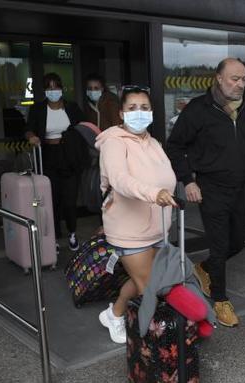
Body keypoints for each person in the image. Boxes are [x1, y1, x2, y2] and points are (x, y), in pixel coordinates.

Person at [166, 58, 245, 328]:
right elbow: (175, 146)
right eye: (234, 79)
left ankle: (206, 268)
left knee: (238, 241)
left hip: (239, 185)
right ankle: (221, 299)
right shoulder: (198, 110)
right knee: (220, 243)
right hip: (209, 187)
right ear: (219, 78)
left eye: (244, 79)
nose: (240, 84)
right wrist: (188, 181)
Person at [96, 85, 178, 343]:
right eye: (132, 108)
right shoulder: (113, 143)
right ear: (121, 113)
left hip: (157, 226)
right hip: (130, 229)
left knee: (150, 278)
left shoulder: (152, 142)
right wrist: (154, 193)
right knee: (148, 287)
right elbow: (121, 180)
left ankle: (115, 313)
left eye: (144, 107)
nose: (139, 113)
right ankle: (159, 346)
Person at [25, 72, 84, 251]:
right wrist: (32, 137)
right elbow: (28, 130)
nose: (53, 91)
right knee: (52, 198)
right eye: (49, 88)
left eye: (56, 87)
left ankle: (72, 233)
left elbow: (83, 128)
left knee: (70, 198)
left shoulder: (72, 107)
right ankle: (55, 238)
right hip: (48, 155)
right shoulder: (38, 109)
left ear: (62, 88)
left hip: (69, 155)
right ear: (45, 91)